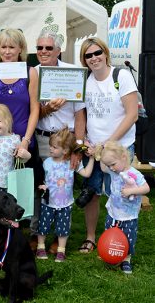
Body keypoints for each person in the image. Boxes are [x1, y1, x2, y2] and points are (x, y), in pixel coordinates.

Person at [0, 28, 43, 240]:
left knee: (25, 185)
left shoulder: (30, 72)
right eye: (3, 47)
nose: (7, 52)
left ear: (20, 49)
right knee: (0, 189)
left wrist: (25, 140)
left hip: (22, 141)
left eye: (11, 47)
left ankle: (31, 233)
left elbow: (35, 108)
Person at [77, 37, 138, 254]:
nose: (94, 58)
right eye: (88, 55)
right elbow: (81, 114)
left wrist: (109, 143)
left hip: (119, 147)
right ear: (84, 60)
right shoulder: (84, 81)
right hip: (94, 148)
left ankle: (119, 238)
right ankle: (91, 237)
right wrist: (82, 139)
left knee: (120, 192)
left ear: (105, 53)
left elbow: (132, 115)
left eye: (97, 53)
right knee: (92, 192)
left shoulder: (120, 75)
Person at [33, 28, 86, 253]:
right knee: (41, 187)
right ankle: (38, 234)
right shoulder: (33, 73)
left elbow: (80, 113)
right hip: (42, 138)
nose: (43, 51)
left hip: (66, 139)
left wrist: (79, 146)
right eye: (39, 48)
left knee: (63, 187)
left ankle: (59, 236)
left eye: (48, 47)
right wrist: (47, 109)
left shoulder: (73, 73)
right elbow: (33, 112)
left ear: (58, 50)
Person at [36, 127, 94, 262]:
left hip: (65, 204)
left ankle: (61, 251)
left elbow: (86, 174)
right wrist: (42, 185)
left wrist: (91, 160)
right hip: (48, 202)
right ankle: (40, 247)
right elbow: (42, 179)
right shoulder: (46, 163)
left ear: (65, 150)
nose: (50, 149)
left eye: (54, 147)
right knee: (43, 226)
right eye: (50, 146)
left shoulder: (72, 163)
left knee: (63, 228)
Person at [96, 141, 150, 274]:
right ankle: (110, 253)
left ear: (124, 157)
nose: (112, 168)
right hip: (113, 213)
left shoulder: (134, 173)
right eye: (110, 165)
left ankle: (126, 259)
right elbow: (103, 168)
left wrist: (131, 191)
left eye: (113, 164)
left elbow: (146, 188)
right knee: (110, 234)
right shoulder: (114, 171)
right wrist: (101, 152)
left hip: (128, 215)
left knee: (128, 237)